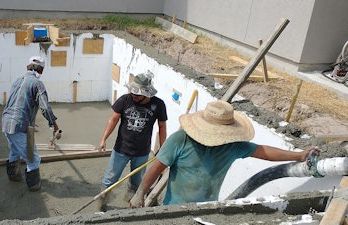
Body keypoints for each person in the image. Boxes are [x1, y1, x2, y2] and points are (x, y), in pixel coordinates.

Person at [130, 100, 318, 207]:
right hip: (173, 208)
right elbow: (156, 168)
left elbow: (265, 152)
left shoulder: (231, 145)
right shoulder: (180, 139)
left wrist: (299, 156)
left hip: (209, 208)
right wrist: (140, 194)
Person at [98, 72, 168, 211]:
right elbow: (113, 119)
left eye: (137, 94)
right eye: (132, 92)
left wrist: (162, 147)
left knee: (137, 181)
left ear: (146, 94)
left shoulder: (158, 104)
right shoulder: (125, 100)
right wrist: (103, 139)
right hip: (121, 149)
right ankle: (102, 205)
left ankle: (131, 202)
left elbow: (162, 126)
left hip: (142, 152)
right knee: (109, 180)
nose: (133, 95)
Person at [2, 56, 60, 192]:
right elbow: (45, 107)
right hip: (19, 125)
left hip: (7, 122)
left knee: (15, 152)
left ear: (27, 67)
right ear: (42, 71)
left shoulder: (17, 80)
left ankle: (14, 177)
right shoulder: (37, 84)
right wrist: (55, 125)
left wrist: (29, 122)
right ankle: (34, 186)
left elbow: (15, 103)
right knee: (33, 159)